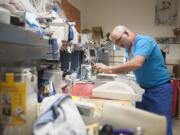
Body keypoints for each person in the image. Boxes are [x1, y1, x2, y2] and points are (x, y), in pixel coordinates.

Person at [94, 25, 173, 135]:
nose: (118, 45)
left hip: (160, 90)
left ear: (126, 33)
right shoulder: (128, 48)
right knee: (146, 128)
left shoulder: (143, 41)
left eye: (118, 40)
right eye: (115, 43)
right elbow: (126, 69)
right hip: (146, 91)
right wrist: (106, 71)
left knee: (162, 129)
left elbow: (136, 63)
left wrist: (110, 69)